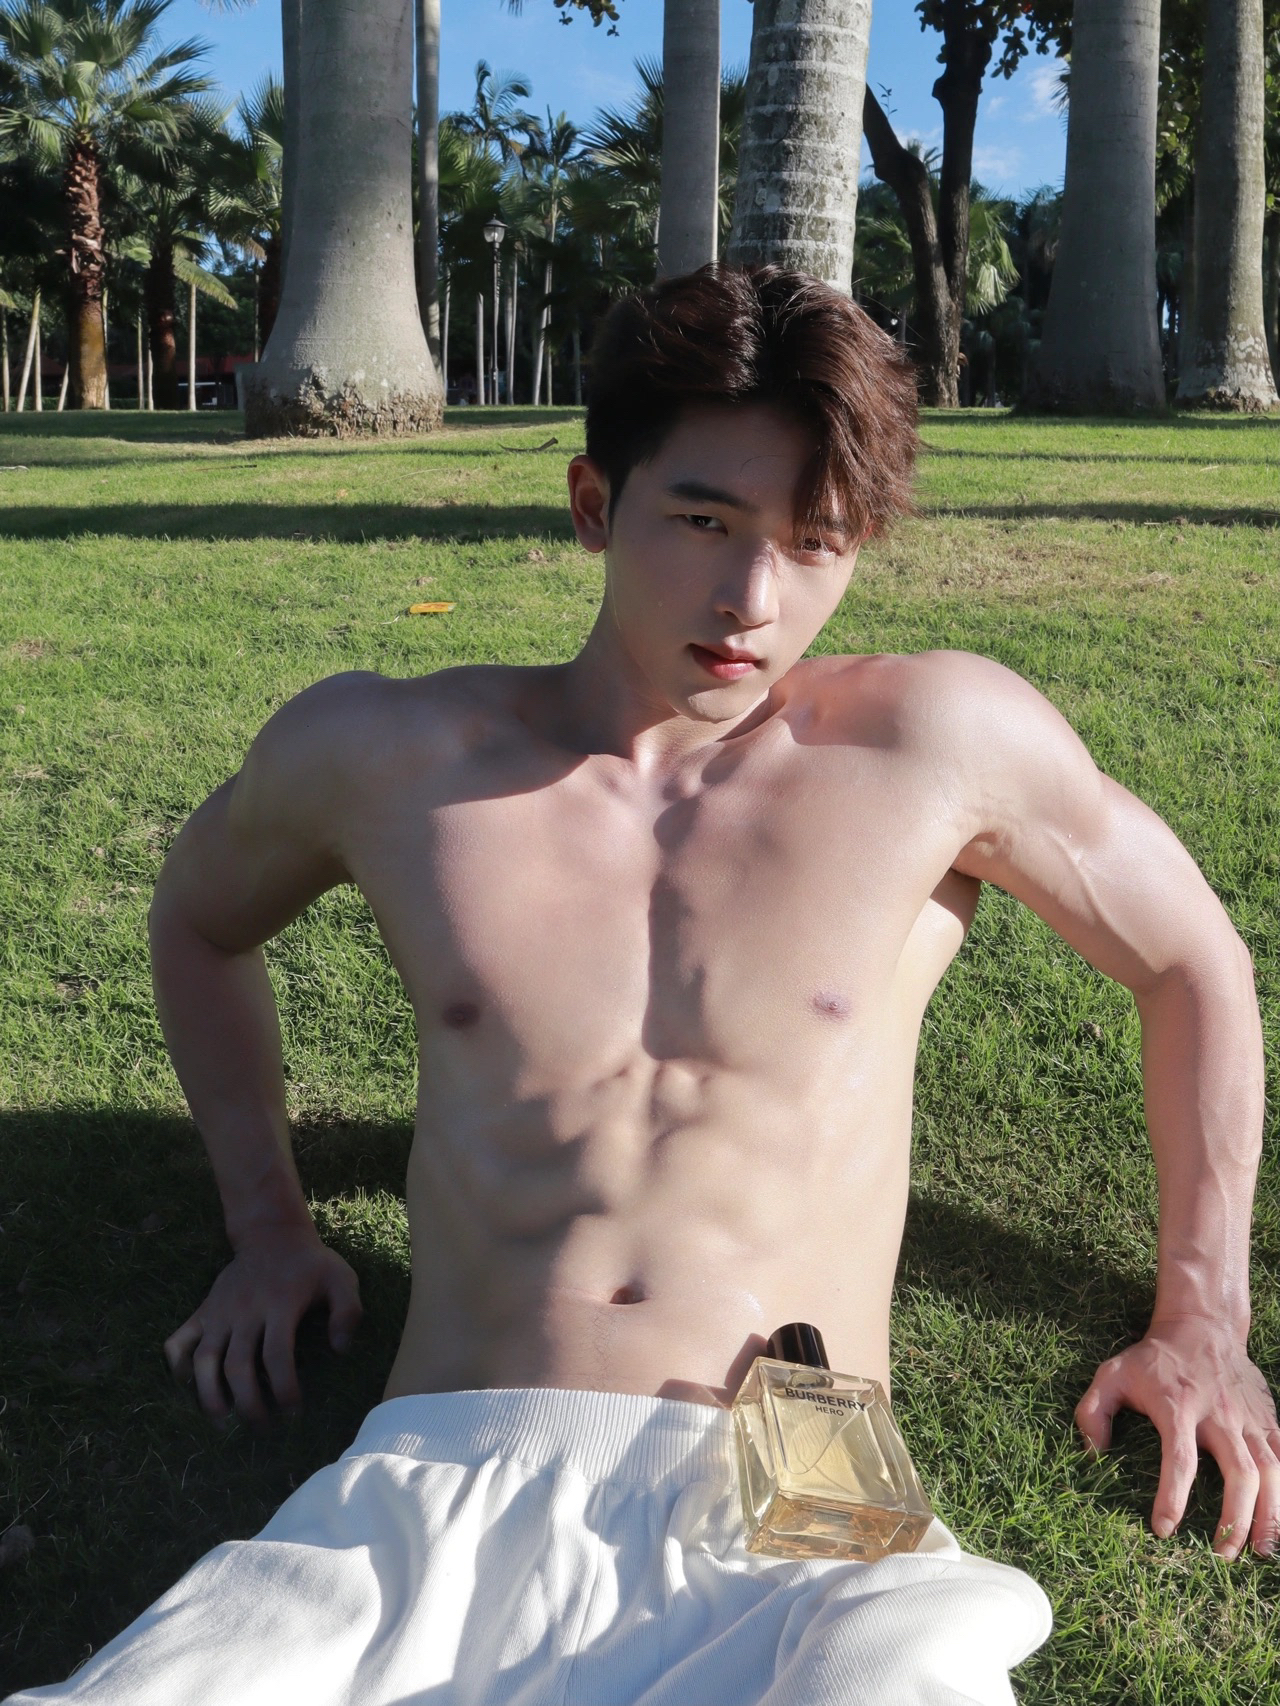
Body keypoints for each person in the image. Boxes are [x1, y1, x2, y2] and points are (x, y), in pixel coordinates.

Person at [12, 264, 1275, 1706]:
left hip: (808, 1479)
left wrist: (1203, 1315)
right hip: (434, 1480)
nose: (753, 599)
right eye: (703, 521)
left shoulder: (933, 743)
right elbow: (197, 921)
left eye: (815, 541)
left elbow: (1192, 958)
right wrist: (266, 1231)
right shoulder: (390, 758)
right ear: (593, 503)